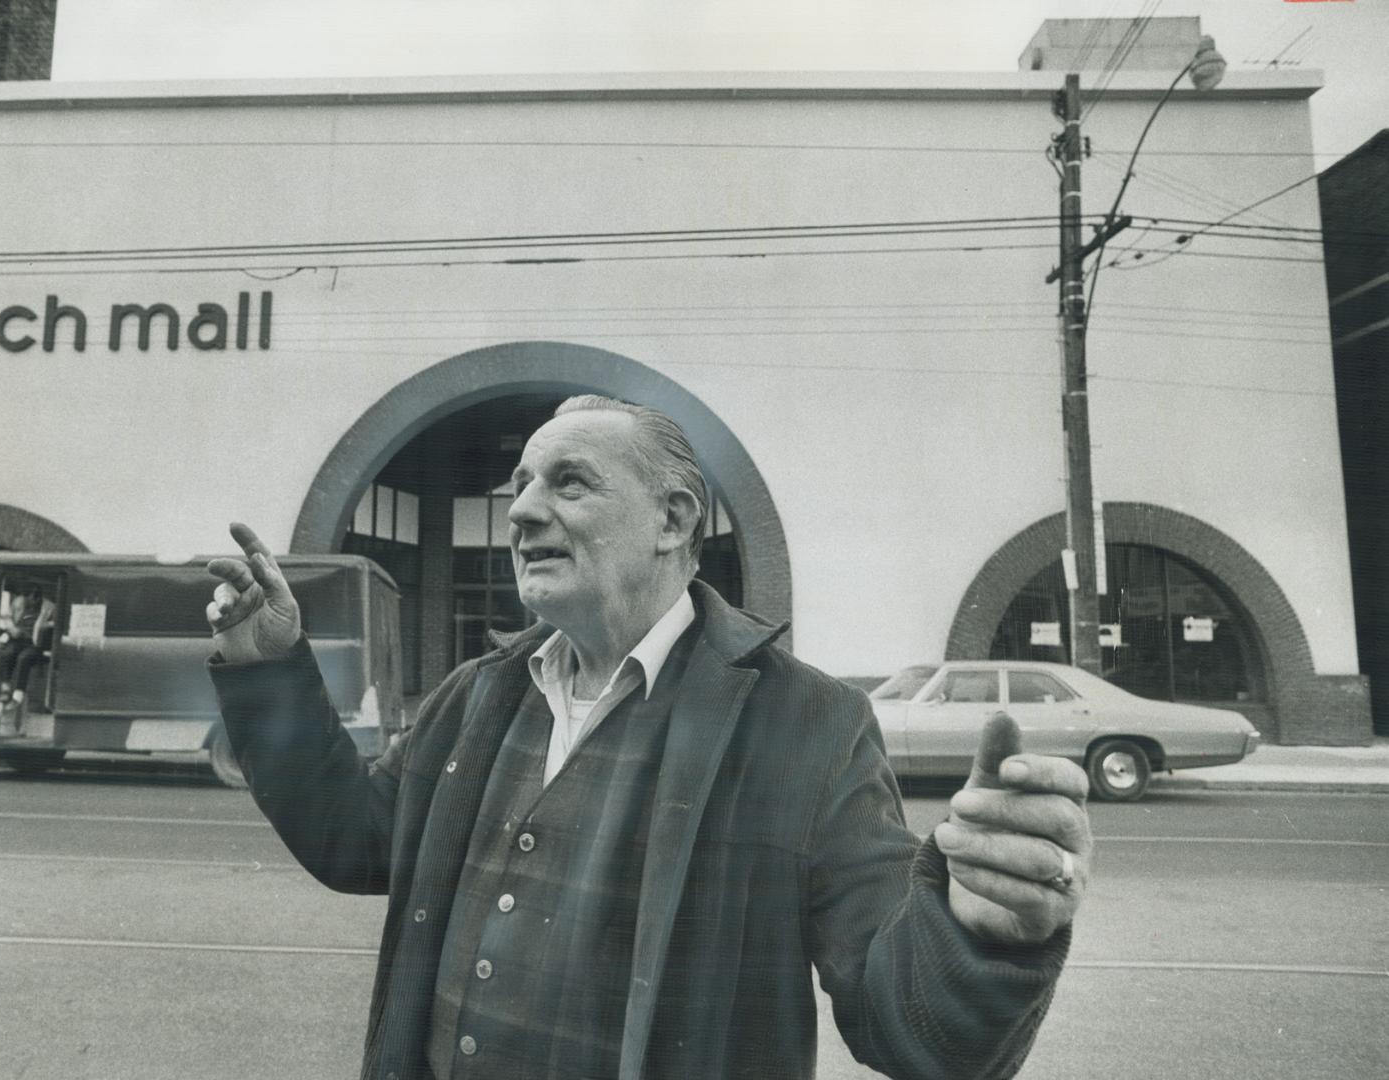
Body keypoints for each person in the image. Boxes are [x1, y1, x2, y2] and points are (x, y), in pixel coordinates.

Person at [206, 395, 1093, 1080]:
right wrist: (269, 674)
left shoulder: (807, 724)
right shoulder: (478, 697)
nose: (521, 514)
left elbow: (909, 1024)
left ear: (673, 521)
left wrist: (987, 936)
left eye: (569, 483)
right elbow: (353, 838)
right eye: (519, 488)